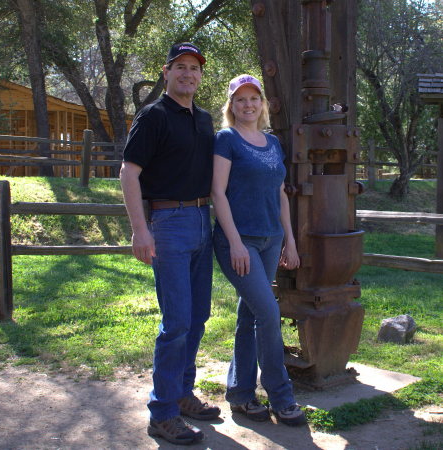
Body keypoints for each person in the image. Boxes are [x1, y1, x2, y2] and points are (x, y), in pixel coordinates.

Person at [120, 42, 220, 445]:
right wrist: (140, 229)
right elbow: (129, 173)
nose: (188, 74)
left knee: (198, 316)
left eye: (194, 68)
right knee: (176, 320)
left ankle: (181, 393)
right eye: (180, 67)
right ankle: (161, 413)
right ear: (166, 72)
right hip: (168, 223)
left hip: (201, 219)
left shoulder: (206, 119)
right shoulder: (153, 116)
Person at [210, 74, 306, 426]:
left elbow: (280, 194)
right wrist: (234, 241)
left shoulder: (272, 143)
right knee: (268, 314)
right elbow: (217, 193)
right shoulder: (226, 140)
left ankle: (240, 395)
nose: (247, 105)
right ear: (231, 106)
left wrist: (289, 240)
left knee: (250, 315)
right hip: (239, 240)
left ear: (262, 104)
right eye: (240, 100)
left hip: (270, 240)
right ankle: (282, 397)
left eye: (254, 99)